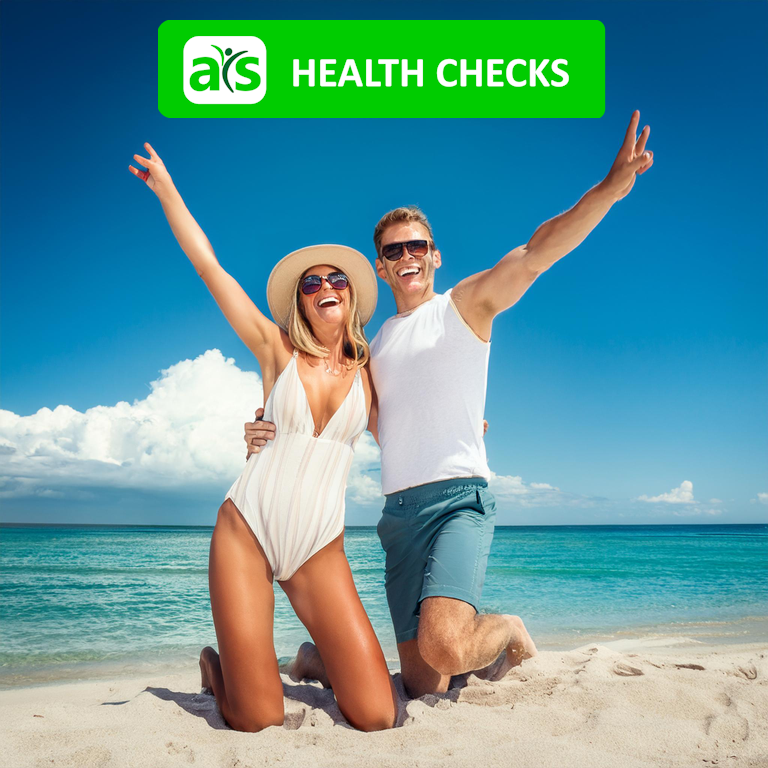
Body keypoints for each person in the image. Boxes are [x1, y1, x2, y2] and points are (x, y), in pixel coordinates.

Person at [245, 109, 654, 698]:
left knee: (446, 646)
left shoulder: (466, 306)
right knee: (421, 686)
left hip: (460, 498)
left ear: (435, 255)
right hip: (398, 519)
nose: (407, 255)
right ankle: (318, 660)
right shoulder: (372, 347)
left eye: (418, 245)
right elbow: (334, 411)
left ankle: (508, 628)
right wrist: (265, 428)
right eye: (393, 250)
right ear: (381, 268)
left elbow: (538, 252)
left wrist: (609, 191)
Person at [128, 144, 398, 732]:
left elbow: (410, 422)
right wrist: (169, 191)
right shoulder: (276, 349)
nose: (324, 284)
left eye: (336, 279)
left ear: (351, 295)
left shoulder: (373, 371)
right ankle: (216, 667)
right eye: (311, 282)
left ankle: (313, 660)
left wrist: (462, 422)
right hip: (247, 527)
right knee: (257, 721)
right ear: (300, 299)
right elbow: (211, 270)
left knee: (377, 716)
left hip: (318, 544)